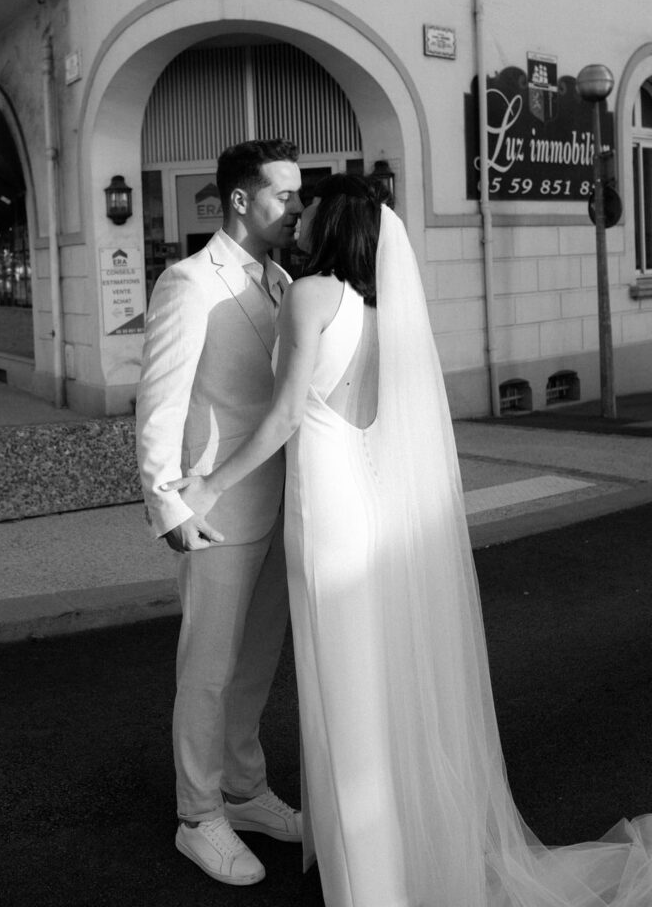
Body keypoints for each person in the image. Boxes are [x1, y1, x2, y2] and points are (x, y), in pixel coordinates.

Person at [166, 173, 652, 907]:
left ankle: (372, 881)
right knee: (372, 679)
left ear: (337, 222)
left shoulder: (309, 295)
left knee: (340, 681)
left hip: (324, 511)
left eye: (313, 206)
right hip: (367, 506)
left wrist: (202, 487)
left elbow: (285, 416)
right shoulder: (378, 307)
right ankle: (383, 853)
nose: (301, 214)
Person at [135, 138, 304, 888]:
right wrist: (166, 500)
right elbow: (159, 400)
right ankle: (198, 816)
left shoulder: (282, 278)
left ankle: (244, 790)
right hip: (217, 504)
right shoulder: (188, 282)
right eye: (284, 195)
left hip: (282, 501)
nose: (296, 207)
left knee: (257, 663)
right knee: (207, 669)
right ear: (240, 199)